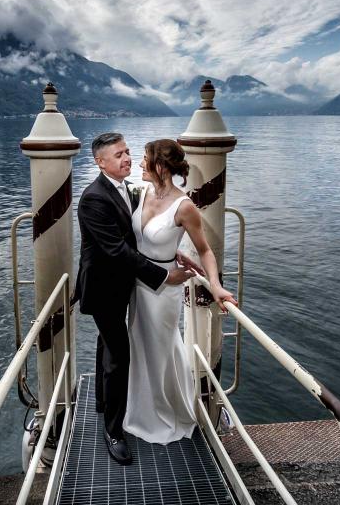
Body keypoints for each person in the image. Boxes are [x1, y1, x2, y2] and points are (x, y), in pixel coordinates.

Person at [75, 132, 195, 465]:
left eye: (128, 152)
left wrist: (176, 255)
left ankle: (102, 400)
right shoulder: (93, 198)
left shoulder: (130, 189)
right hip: (103, 287)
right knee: (118, 354)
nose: (127, 159)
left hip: (128, 284)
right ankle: (113, 431)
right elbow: (116, 250)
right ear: (100, 163)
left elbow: (153, 227)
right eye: (118, 155)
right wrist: (164, 275)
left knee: (106, 342)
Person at [124, 138, 236, 445]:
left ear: (159, 166)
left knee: (161, 349)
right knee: (139, 347)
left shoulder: (185, 206)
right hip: (138, 283)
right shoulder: (143, 191)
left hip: (165, 291)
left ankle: (165, 413)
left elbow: (205, 250)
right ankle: (139, 410)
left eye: (144, 159)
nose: (139, 164)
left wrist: (214, 285)